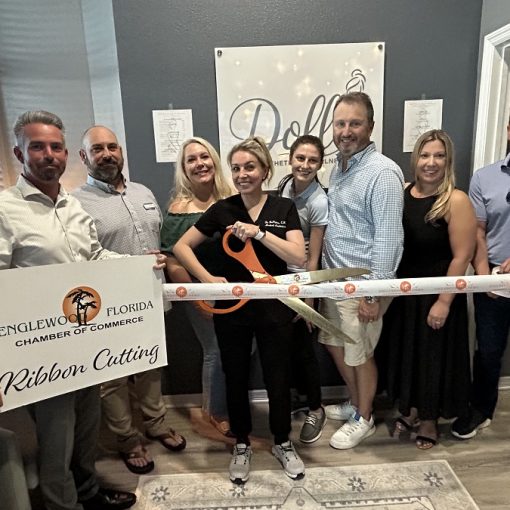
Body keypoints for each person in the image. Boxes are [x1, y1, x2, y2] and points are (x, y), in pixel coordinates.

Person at [0, 111, 137, 509]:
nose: (49, 155)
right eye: (37, 147)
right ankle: (62, 504)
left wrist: (140, 264)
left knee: (86, 428)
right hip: (41, 350)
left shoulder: (74, 207)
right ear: (19, 153)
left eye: (56, 147)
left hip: (84, 341)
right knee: (56, 438)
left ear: (66, 154)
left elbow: (94, 257)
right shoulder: (5, 210)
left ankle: (88, 493)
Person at [173, 136, 306, 484]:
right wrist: (207, 279)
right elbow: (181, 247)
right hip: (233, 308)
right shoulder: (223, 209)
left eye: (250, 167)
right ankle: (242, 444)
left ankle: (282, 441)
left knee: (278, 377)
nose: (242, 174)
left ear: (265, 170)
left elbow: (298, 255)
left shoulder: (283, 208)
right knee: (234, 375)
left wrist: (259, 233)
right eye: (236, 168)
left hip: (274, 307)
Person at [73, 125, 186, 474]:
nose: (106, 154)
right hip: (107, 306)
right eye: (97, 149)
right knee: (113, 377)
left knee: (151, 365)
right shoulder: (75, 203)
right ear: (84, 157)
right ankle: (126, 439)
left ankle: (156, 424)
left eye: (112, 147)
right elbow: (82, 256)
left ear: (121, 152)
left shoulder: (143, 192)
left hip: (150, 298)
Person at [379, 130, 476, 449]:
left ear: (448, 161)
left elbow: (462, 256)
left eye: (439, 156)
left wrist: (444, 301)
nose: (431, 162)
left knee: (433, 358)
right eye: (425, 155)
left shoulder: (456, 200)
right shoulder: (402, 193)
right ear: (415, 159)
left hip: (438, 292)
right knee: (408, 354)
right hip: (405, 293)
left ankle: (430, 420)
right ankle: (410, 410)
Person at [319, 92, 404, 450]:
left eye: (355, 123)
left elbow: (389, 239)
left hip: (361, 286)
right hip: (332, 281)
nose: (346, 130)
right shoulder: (339, 168)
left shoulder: (382, 173)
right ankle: (356, 402)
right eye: (340, 123)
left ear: (370, 126)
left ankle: (364, 418)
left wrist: (373, 294)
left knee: (360, 355)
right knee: (335, 346)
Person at [160, 137, 232, 435]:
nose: (200, 163)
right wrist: (198, 298)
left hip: (237, 290)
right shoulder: (179, 209)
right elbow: (172, 260)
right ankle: (214, 412)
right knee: (215, 349)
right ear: (184, 168)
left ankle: (229, 404)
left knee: (239, 347)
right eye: (191, 159)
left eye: (204, 156)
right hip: (200, 290)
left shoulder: (232, 201)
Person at [451, 121, 510, 439]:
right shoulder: (484, 178)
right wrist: (485, 276)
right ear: (508, 129)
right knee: (487, 350)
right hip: (495, 278)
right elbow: (478, 231)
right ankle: (481, 409)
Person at [277, 135, 328, 443]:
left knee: (306, 351)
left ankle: (316, 408)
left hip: (301, 284)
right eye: (300, 158)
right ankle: (296, 399)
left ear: (320, 164)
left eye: (312, 160)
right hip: (277, 283)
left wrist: (308, 300)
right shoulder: (284, 186)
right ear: (290, 159)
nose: (305, 165)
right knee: (285, 349)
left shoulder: (319, 201)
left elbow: (315, 257)